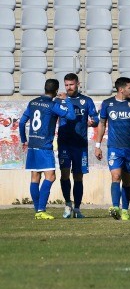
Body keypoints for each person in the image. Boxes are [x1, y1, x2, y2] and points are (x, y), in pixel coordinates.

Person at [19, 79, 76, 220]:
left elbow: (21, 122)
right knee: (50, 177)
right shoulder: (52, 105)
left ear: (45, 88)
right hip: (44, 146)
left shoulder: (33, 103)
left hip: (32, 144)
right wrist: (67, 100)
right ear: (56, 90)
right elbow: (71, 116)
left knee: (35, 178)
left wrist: (23, 140)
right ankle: (41, 210)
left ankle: (38, 211)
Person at [94, 77, 130, 221]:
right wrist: (97, 145)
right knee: (115, 176)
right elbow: (102, 124)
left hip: (129, 147)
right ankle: (115, 207)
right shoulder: (107, 104)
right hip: (114, 147)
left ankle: (125, 210)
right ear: (121, 89)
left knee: (126, 179)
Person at [58, 73, 99, 219]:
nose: (69, 87)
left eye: (71, 84)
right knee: (64, 173)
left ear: (78, 84)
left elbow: (95, 119)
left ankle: (77, 208)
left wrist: (92, 122)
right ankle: (68, 204)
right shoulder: (61, 101)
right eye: (67, 85)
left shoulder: (86, 101)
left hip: (80, 145)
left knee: (78, 176)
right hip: (64, 143)